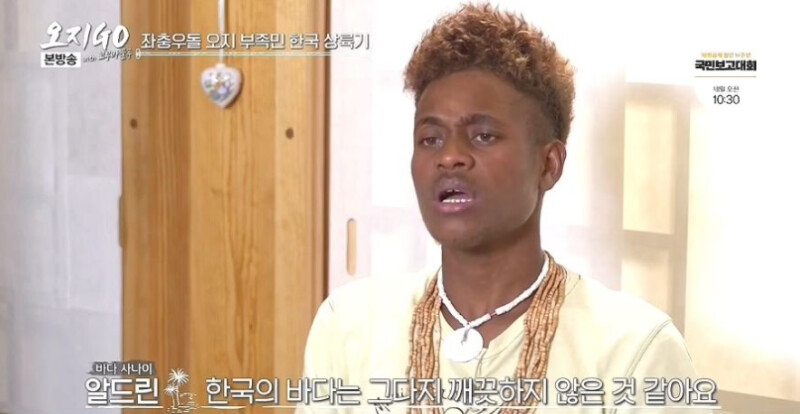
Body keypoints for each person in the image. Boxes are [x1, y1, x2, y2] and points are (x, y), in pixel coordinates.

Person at [299, 3, 710, 413]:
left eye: (482, 136)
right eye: (430, 139)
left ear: (548, 165)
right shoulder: (349, 327)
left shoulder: (635, 351)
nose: (449, 157)